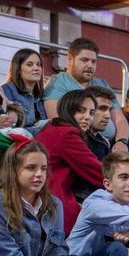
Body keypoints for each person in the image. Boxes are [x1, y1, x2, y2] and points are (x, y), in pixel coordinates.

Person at [34, 89, 105, 233]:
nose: (87, 118)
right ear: (68, 109)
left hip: (45, 198)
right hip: (53, 203)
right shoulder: (67, 134)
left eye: (91, 113)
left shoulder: (55, 127)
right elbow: (98, 172)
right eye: (81, 111)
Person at [43, 37, 129, 151]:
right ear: (70, 59)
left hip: (113, 144)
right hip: (81, 142)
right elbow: (56, 120)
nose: (90, 65)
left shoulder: (103, 84)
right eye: (84, 60)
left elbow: (120, 119)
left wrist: (122, 142)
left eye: (93, 61)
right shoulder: (57, 83)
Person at [1, 48, 47, 125]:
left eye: (38, 64)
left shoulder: (41, 96)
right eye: (29, 64)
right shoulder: (8, 89)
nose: (36, 68)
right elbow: (6, 123)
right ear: (18, 69)